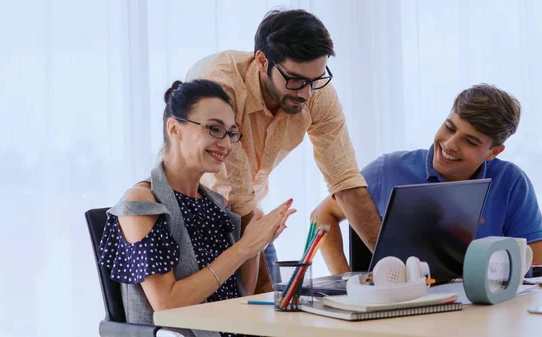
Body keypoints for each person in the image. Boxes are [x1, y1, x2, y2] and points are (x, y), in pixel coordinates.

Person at [186, 9, 382, 292]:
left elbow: (345, 181)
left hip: (251, 216)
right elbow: (235, 196)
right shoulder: (221, 87)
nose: (305, 93)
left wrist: (394, 267)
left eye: (314, 80)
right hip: (197, 223)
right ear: (262, 61)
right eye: (294, 79)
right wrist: (266, 288)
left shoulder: (314, 89)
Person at [99, 79, 296, 337]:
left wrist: (255, 245)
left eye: (231, 133)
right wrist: (244, 247)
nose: (225, 144)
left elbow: (237, 294)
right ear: (174, 129)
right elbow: (167, 305)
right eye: (214, 129)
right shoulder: (141, 204)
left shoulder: (216, 204)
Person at [312, 83, 542, 274]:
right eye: (450, 128)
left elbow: (535, 260)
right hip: (401, 306)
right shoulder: (388, 169)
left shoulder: (511, 181)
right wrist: (344, 278)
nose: (450, 144)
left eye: (470, 142)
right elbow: (323, 214)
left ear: (494, 152)